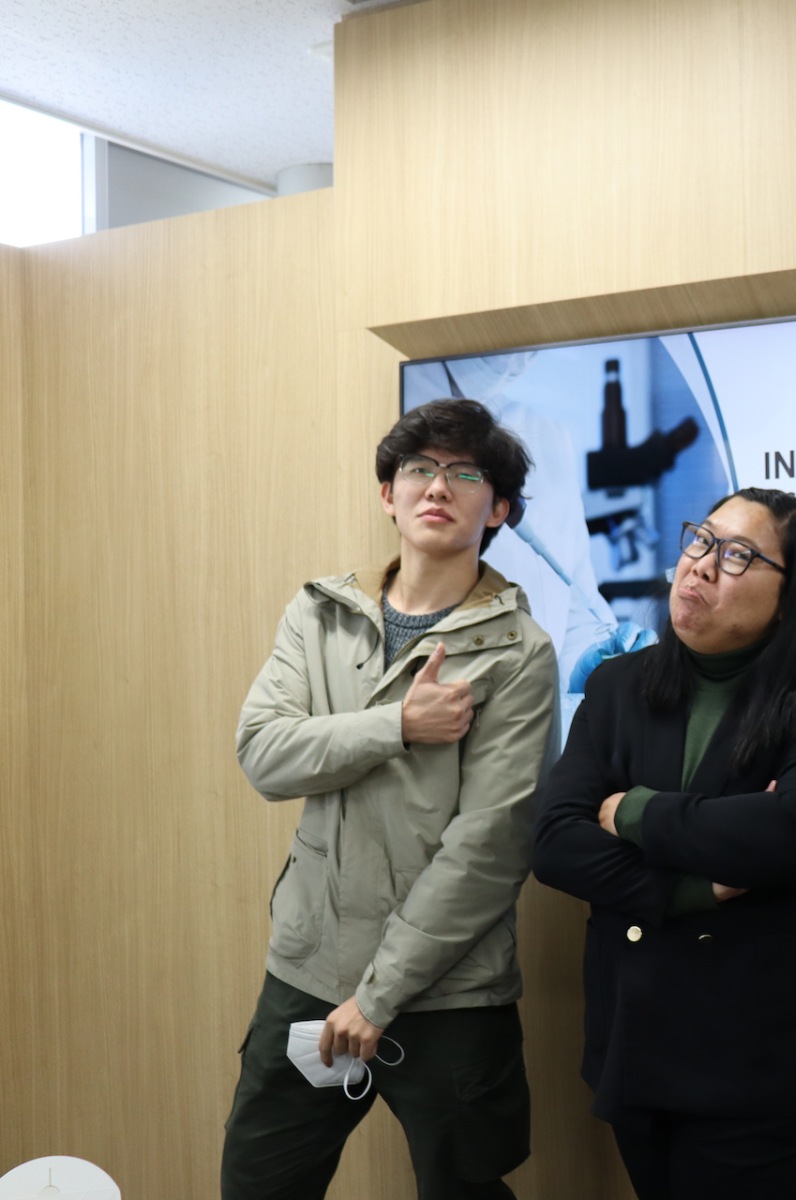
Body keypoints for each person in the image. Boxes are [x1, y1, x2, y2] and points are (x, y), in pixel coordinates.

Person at [222, 399, 560, 1200]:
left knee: (463, 1188)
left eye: (465, 474)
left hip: (452, 990)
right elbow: (264, 755)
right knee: (258, 1184)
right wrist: (397, 726)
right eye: (419, 469)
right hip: (310, 969)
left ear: (499, 509)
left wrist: (378, 997)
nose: (437, 486)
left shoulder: (521, 652)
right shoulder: (320, 613)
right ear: (388, 494)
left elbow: (490, 847)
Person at [533, 487, 796, 1200]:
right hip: (639, 1044)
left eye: (738, 556)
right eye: (701, 540)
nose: (700, 564)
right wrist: (689, 887)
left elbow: (795, 829)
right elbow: (554, 841)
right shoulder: (618, 685)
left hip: (767, 1062)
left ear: (790, 597)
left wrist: (632, 811)